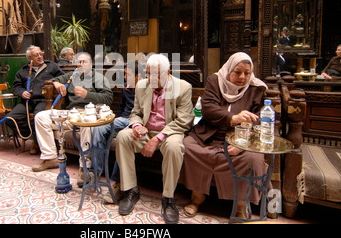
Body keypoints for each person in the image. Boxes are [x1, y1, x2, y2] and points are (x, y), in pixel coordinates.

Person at [179, 52, 268, 218]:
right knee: (188, 146)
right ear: (228, 70)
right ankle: (197, 197)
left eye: (247, 73)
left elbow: (260, 121)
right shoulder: (215, 81)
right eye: (237, 72)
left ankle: (241, 205)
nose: (242, 77)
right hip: (211, 135)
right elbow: (208, 108)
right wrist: (233, 118)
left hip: (240, 139)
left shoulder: (256, 89)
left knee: (253, 159)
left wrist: (242, 144)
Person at [115, 54, 194, 224]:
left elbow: (184, 121)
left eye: (156, 75)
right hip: (146, 132)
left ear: (168, 73)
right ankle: (130, 190)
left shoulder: (183, 87)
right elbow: (135, 113)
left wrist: (157, 138)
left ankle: (168, 198)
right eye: (149, 73)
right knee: (123, 136)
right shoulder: (142, 85)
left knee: (174, 147)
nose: (151, 78)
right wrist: (136, 126)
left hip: (169, 133)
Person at [33, 52, 113, 187]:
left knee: (88, 125)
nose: (80, 65)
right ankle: (50, 158)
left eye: (84, 62)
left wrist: (88, 94)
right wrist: (57, 84)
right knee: (41, 117)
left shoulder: (98, 77)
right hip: (71, 114)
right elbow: (56, 79)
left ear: (91, 64)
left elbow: (108, 98)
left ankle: (85, 168)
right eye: (78, 62)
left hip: (89, 114)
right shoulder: (72, 75)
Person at [91, 61, 141, 201]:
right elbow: (121, 108)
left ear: (138, 77)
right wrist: (112, 123)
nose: (125, 77)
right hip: (123, 119)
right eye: (124, 73)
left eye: (128, 74)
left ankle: (117, 183)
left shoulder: (146, 88)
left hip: (136, 122)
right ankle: (95, 173)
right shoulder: (125, 88)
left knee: (123, 138)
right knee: (98, 128)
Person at [5, 46, 64, 154]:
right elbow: (15, 87)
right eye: (36, 55)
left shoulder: (51, 66)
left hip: (43, 101)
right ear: (29, 58)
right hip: (27, 102)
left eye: (40, 54)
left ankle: (37, 143)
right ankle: (33, 136)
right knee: (10, 118)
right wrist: (22, 92)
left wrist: (56, 81)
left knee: (38, 117)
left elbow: (63, 77)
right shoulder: (22, 71)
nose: (40, 56)